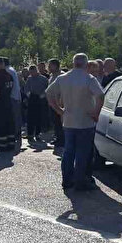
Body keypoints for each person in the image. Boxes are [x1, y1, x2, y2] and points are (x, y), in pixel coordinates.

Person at [47, 53, 105, 191]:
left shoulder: (63, 78)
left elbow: (49, 93)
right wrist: (96, 113)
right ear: (86, 64)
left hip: (68, 120)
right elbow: (100, 95)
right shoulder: (89, 79)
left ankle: (67, 180)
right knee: (82, 153)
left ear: (73, 63)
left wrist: (59, 110)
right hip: (85, 121)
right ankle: (80, 181)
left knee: (68, 152)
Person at [25, 64, 49, 142]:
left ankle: (37, 134)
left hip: (40, 99)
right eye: (30, 73)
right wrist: (29, 95)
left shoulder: (43, 79)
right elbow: (26, 88)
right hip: (31, 99)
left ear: (36, 70)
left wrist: (43, 95)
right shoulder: (29, 79)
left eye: (33, 72)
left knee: (39, 118)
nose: (32, 74)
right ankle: (30, 134)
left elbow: (47, 89)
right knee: (30, 118)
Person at [5, 58, 23, 151]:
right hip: (16, 95)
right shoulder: (12, 69)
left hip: (12, 96)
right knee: (16, 116)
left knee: (14, 117)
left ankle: (16, 133)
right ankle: (17, 133)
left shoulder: (7, 71)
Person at [47, 58, 64, 148]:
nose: (48, 67)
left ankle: (62, 140)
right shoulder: (52, 76)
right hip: (52, 103)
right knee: (55, 122)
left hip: (59, 103)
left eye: (50, 65)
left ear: (55, 65)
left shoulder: (61, 76)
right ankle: (58, 137)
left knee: (60, 122)